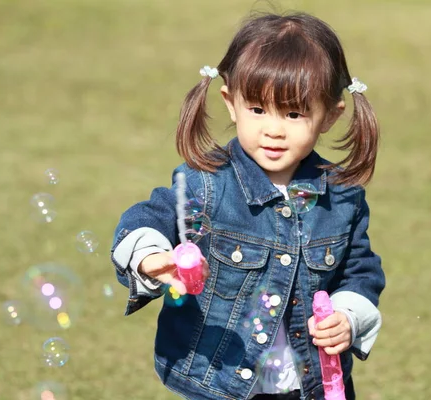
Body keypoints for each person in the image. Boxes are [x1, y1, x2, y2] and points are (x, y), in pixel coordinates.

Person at [111, 11, 386, 400]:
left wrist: (348, 317)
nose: (273, 129)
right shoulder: (206, 182)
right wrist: (149, 257)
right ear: (231, 102)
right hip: (217, 381)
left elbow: (361, 272)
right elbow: (148, 216)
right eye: (258, 109)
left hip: (306, 385)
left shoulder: (341, 196)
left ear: (329, 116)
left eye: (294, 113)